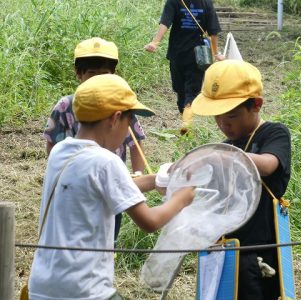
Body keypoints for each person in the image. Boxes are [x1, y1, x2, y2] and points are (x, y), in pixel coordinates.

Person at [29, 74, 195, 300]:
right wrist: (182, 198)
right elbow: (149, 221)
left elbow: (104, 186)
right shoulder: (107, 162)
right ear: (116, 118)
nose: (128, 132)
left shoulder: (61, 151)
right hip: (85, 290)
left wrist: (158, 179)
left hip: (42, 285)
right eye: (129, 123)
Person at [191, 60, 291, 300]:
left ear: (256, 105)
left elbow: (268, 164)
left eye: (232, 116)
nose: (224, 125)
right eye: (217, 118)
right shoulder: (224, 148)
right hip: (224, 248)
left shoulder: (273, 133)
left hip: (259, 251)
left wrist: (224, 156)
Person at [43, 37, 146, 244]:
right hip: (77, 184)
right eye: (91, 74)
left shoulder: (122, 106)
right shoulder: (64, 106)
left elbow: (135, 142)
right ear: (78, 73)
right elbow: (52, 142)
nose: (98, 79)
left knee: (109, 230)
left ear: (113, 75)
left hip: (114, 181)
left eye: (104, 74)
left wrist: (138, 174)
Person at [144, 0, 222, 114]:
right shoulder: (174, 2)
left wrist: (216, 53)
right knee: (179, 89)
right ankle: (184, 114)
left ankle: (187, 119)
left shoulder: (206, 3)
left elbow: (213, 29)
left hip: (197, 55)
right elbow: (166, 21)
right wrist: (155, 42)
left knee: (192, 90)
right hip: (178, 54)